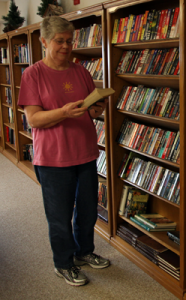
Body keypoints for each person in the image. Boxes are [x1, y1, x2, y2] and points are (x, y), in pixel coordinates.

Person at [18, 16, 110, 287]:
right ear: (44, 41)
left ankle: (84, 252)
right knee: (59, 216)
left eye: (69, 41)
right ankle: (63, 263)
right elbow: (33, 119)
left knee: (87, 210)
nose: (66, 46)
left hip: (85, 152)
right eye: (59, 41)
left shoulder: (81, 71)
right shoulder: (32, 74)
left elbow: (89, 105)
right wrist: (64, 112)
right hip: (52, 158)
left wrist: (95, 109)